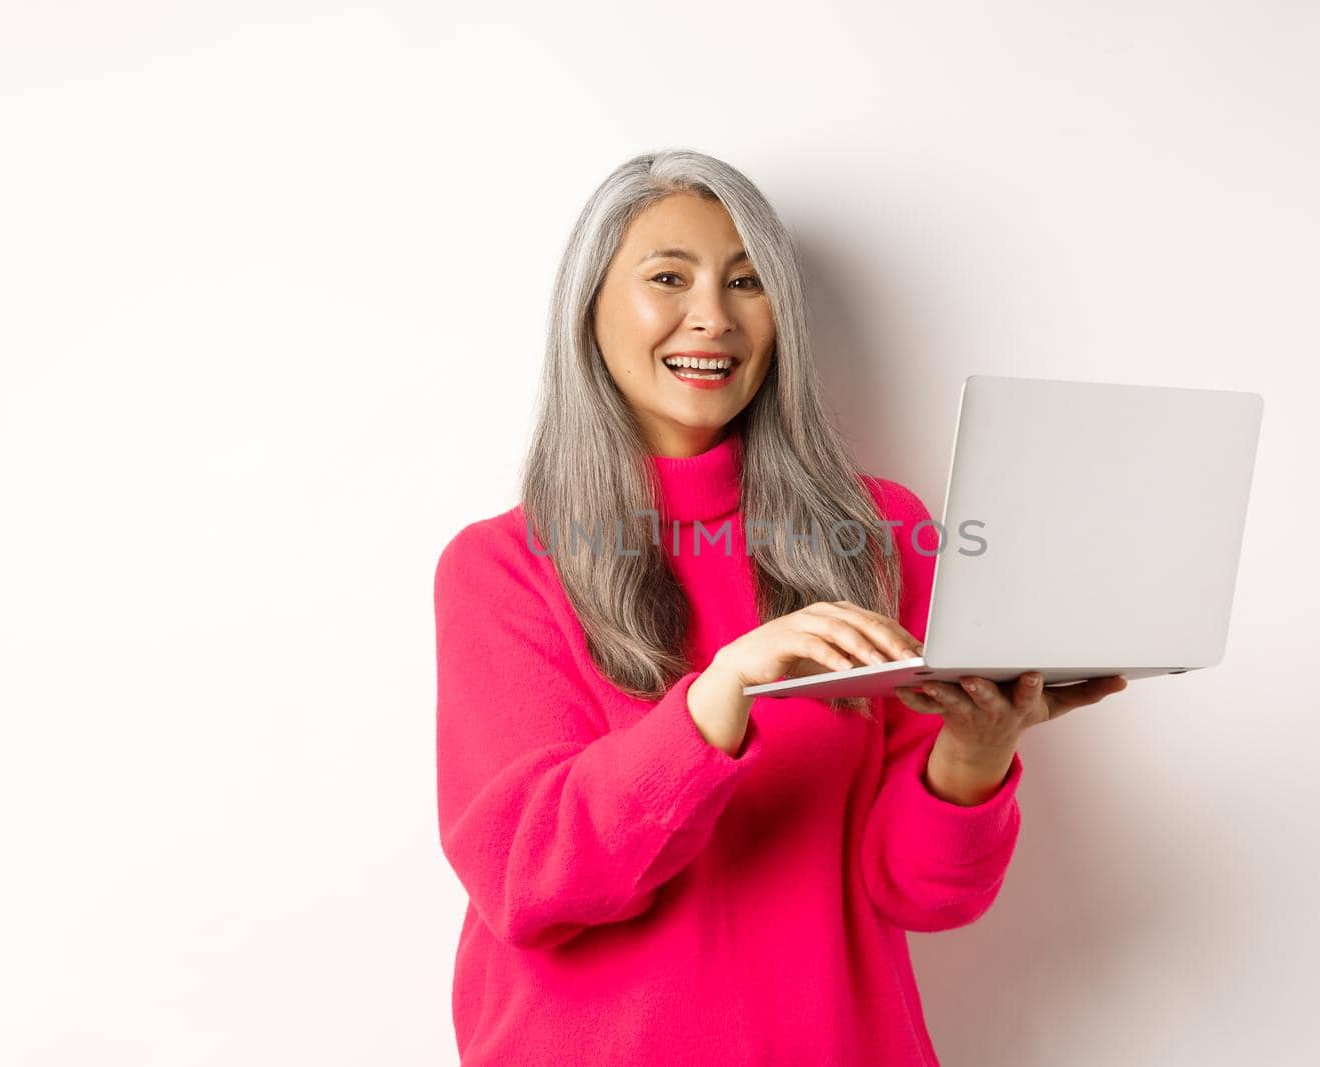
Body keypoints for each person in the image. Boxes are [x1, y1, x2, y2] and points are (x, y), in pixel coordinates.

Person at [432, 148, 1129, 1066]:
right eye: (668, 277)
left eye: (748, 280)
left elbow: (924, 895)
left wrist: (976, 750)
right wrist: (719, 696)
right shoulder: (503, 566)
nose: (712, 316)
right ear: (589, 306)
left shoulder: (881, 533)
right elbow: (526, 878)